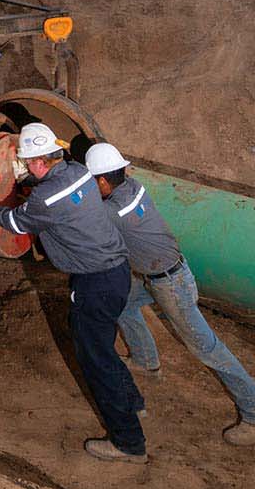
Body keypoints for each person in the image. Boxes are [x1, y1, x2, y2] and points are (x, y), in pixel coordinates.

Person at [0, 123, 147, 462]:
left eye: (28, 161)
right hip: (117, 273)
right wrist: (26, 178)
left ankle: (129, 443)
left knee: (95, 360)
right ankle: (134, 404)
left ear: (38, 160)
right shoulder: (79, 171)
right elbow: (52, 193)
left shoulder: (46, 197)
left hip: (94, 284)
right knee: (105, 349)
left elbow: (15, 223)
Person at [85, 143, 255, 446]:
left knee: (209, 349)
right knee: (124, 305)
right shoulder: (134, 187)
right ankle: (146, 361)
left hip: (170, 285)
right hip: (164, 273)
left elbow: (82, 218)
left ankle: (253, 412)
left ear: (101, 181)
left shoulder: (115, 212)